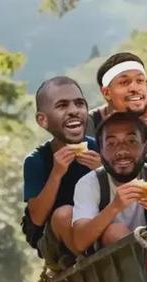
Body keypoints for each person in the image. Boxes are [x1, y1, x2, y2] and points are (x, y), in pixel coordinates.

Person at [22, 76, 102, 270]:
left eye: (79, 104)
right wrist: (56, 173)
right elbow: (37, 218)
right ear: (43, 120)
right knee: (64, 214)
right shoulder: (37, 161)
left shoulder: (101, 148)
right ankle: (94, 264)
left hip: (97, 228)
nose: (73, 111)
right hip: (56, 242)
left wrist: (102, 171)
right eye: (62, 106)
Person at [72, 112, 147, 252]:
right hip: (108, 261)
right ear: (101, 152)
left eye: (131, 141)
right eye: (111, 144)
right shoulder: (89, 183)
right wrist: (115, 206)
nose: (122, 150)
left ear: (146, 148)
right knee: (114, 231)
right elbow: (79, 242)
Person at [87, 53, 147, 162]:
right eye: (124, 82)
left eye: (140, 81)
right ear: (107, 93)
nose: (134, 88)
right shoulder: (89, 124)